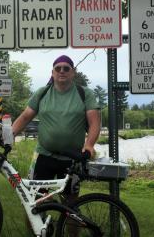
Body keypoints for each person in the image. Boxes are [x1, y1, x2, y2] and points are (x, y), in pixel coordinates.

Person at [12, 55, 101, 200]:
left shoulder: (84, 93)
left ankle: (68, 221)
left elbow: (95, 123)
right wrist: (9, 136)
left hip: (72, 159)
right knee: (35, 202)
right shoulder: (42, 93)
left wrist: (89, 145)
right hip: (43, 155)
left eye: (66, 68)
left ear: (73, 72)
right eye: (58, 68)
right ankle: (43, 221)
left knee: (70, 204)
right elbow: (25, 117)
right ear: (52, 72)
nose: (62, 71)